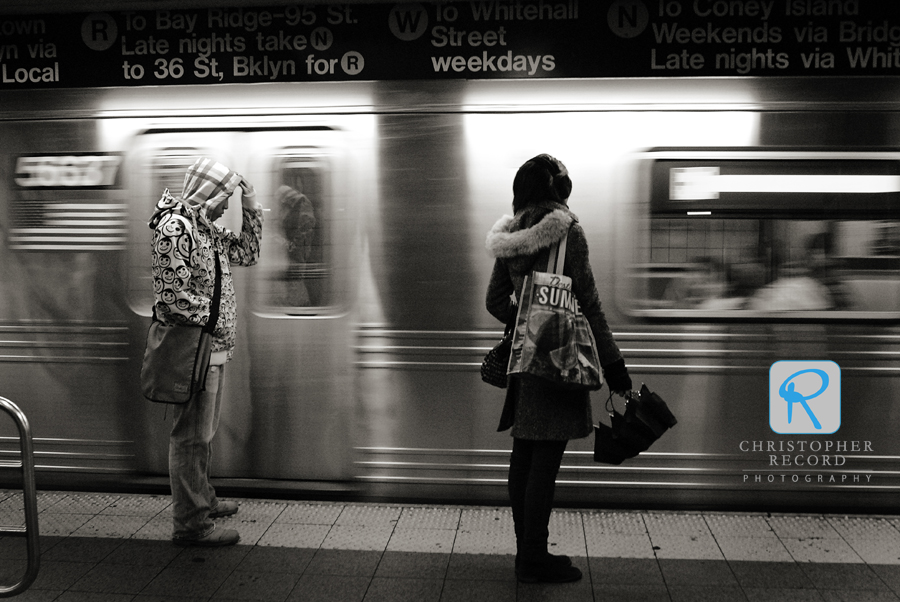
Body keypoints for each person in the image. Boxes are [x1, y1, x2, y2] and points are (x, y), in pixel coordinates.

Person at [485, 154, 632, 583]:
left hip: (524, 362)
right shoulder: (569, 231)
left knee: (525, 456)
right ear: (560, 189)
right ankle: (533, 557)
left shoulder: (512, 235)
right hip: (558, 362)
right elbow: (590, 302)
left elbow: (495, 301)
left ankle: (525, 551)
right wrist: (614, 364)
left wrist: (526, 320)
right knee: (545, 461)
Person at [149, 157, 263, 547]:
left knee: (202, 436)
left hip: (211, 351)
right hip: (194, 352)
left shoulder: (205, 230)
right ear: (206, 191)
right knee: (190, 438)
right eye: (225, 197)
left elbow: (248, 254)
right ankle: (191, 525)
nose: (226, 206)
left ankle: (203, 501)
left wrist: (251, 204)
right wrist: (212, 320)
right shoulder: (174, 228)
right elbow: (171, 298)